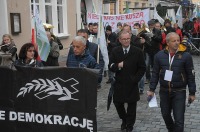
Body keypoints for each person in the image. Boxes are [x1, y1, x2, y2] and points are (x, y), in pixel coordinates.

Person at [147, 32, 196, 132]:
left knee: (179, 119)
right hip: (164, 91)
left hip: (179, 91)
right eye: (174, 41)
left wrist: (192, 92)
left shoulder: (186, 55)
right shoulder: (159, 55)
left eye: (178, 40)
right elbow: (155, 73)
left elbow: (191, 75)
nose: (177, 43)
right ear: (167, 42)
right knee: (165, 114)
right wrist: (151, 89)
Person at [109, 31, 146, 132]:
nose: (126, 41)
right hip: (119, 83)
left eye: (128, 39)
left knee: (131, 107)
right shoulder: (115, 51)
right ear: (120, 40)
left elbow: (142, 68)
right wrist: (118, 66)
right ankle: (124, 120)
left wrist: (135, 79)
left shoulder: (137, 51)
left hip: (132, 83)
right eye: (124, 39)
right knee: (118, 103)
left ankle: (129, 125)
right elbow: (111, 66)